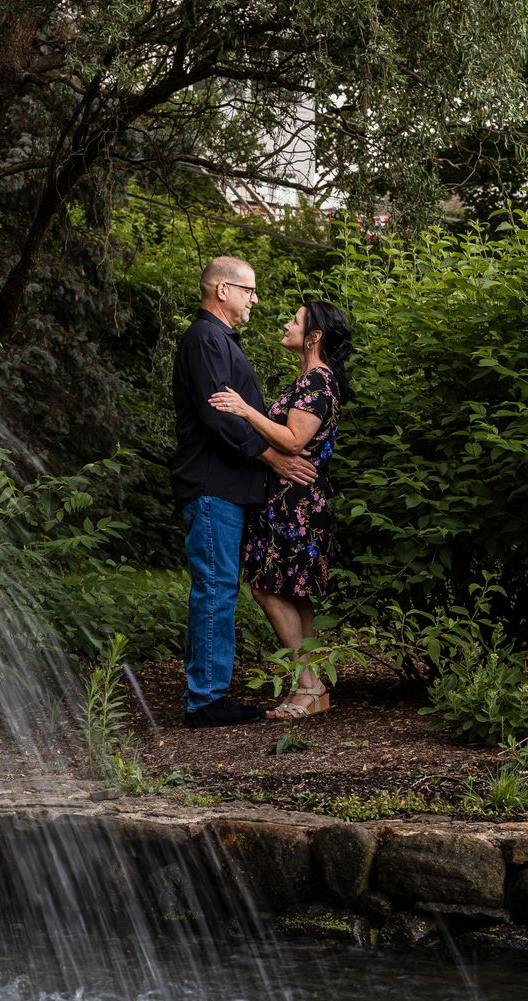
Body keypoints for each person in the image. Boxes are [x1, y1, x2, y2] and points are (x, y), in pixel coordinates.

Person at [172, 258, 318, 728]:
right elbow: (220, 416)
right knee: (215, 590)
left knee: (219, 588)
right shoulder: (206, 339)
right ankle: (205, 701)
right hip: (212, 485)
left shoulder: (219, 340)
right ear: (222, 290)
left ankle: (207, 694)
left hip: (227, 487)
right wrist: (274, 458)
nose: (254, 299)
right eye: (249, 290)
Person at [207, 300, 353, 719]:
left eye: (295, 320)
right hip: (292, 499)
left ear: (314, 337)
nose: (286, 324)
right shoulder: (310, 379)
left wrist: (244, 410)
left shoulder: (317, 381)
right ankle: (313, 687)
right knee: (293, 590)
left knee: (266, 588)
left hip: (296, 502)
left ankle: (308, 684)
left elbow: (293, 440)